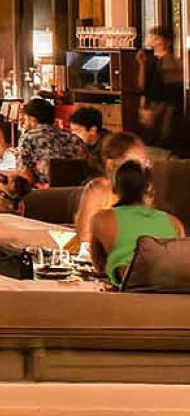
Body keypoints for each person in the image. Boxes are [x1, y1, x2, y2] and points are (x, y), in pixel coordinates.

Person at [92, 158, 185, 286]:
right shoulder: (175, 222)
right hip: (173, 285)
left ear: (115, 188)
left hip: (131, 283)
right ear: (149, 189)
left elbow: (98, 264)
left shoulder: (102, 218)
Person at [73, 131, 149, 262]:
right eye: (134, 165)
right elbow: (85, 239)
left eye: (145, 163)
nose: (141, 171)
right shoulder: (98, 190)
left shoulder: (145, 192)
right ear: (111, 165)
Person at [11, 95, 89, 188]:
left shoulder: (28, 138)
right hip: (76, 192)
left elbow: (25, 176)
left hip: (46, 195)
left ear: (32, 119)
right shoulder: (74, 138)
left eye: (25, 118)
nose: (23, 122)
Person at [137, 26, 185, 150]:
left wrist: (153, 112)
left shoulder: (171, 62)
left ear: (167, 42)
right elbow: (143, 86)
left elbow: (171, 94)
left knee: (162, 142)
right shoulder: (151, 60)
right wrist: (142, 107)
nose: (153, 40)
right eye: (153, 37)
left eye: (157, 38)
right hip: (150, 106)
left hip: (165, 110)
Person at [69, 105, 108, 174]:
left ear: (92, 130)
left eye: (77, 130)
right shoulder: (79, 144)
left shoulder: (109, 146)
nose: (73, 134)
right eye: (72, 130)